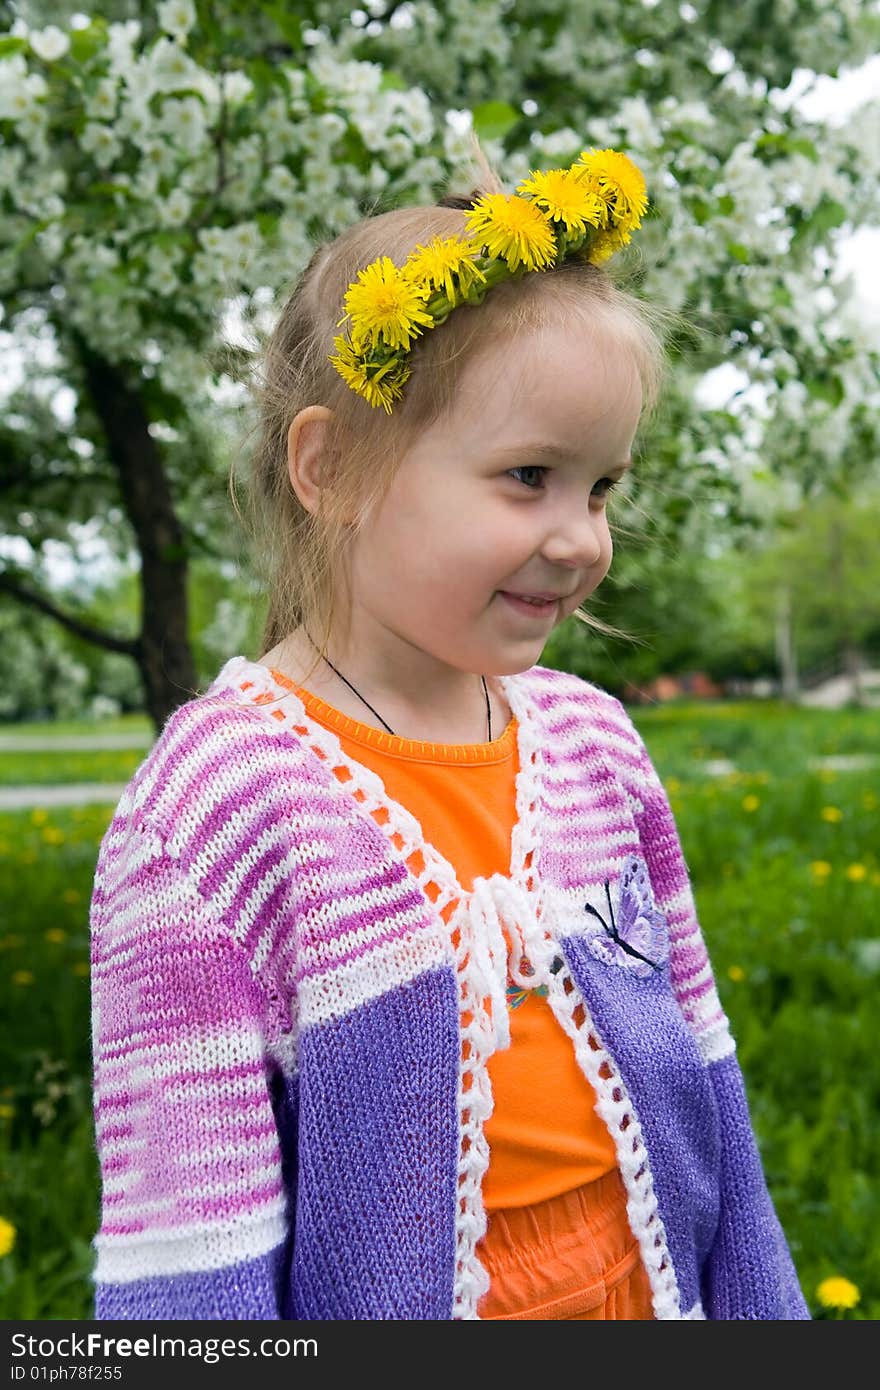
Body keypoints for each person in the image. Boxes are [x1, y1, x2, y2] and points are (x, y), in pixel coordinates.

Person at [88, 137, 809, 1320]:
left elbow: (705, 1084)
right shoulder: (216, 812)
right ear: (332, 469)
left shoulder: (593, 747)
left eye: (601, 486)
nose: (581, 537)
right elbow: (191, 1261)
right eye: (527, 475)